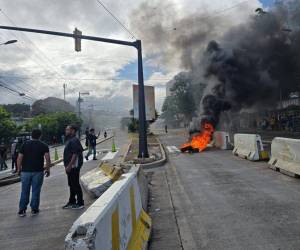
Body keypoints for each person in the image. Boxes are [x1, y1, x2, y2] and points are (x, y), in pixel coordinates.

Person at [17, 129, 51, 217]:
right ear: (40, 136)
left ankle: (22, 210)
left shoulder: (25, 144)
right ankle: (34, 209)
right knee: (36, 190)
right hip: (38, 171)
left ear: (31, 135)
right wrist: (48, 169)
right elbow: (47, 159)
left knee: (24, 191)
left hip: (25, 172)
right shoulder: (44, 145)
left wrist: (18, 169)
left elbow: (19, 158)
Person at [62, 125, 84, 210]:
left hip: (73, 166)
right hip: (70, 166)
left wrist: (70, 165)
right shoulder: (70, 140)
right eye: (66, 129)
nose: (66, 131)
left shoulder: (74, 140)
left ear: (73, 131)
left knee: (75, 184)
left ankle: (80, 202)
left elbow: (75, 154)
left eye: (68, 129)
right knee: (71, 184)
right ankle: (72, 201)